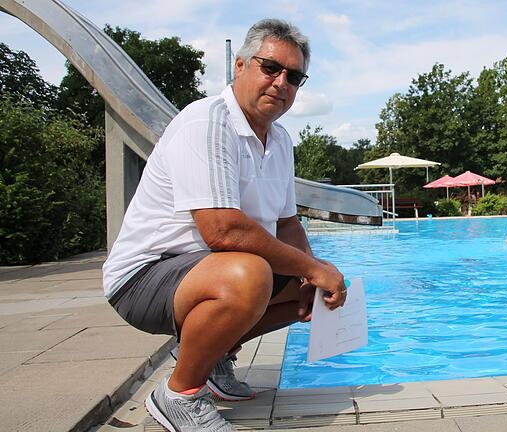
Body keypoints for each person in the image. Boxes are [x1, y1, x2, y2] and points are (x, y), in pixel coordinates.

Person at [102, 19, 346, 431]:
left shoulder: (281, 140)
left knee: (309, 293)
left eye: (294, 76)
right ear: (240, 66)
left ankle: (212, 358)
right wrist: (312, 267)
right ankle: (178, 396)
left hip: (204, 274)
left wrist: (313, 272)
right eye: (270, 68)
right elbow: (223, 230)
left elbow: (286, 224)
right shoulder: (207, 122)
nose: (281, 82)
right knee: (249, 274)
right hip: (144, 277)